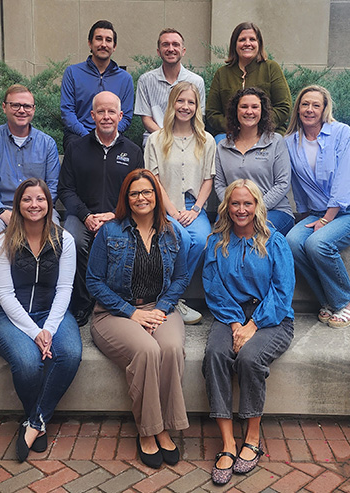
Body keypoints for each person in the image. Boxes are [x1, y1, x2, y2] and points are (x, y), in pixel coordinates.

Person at [86, 169, 191, 469]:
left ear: (157, 196)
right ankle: (150, 431)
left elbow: (181, 277)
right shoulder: (111, 231)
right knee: (147, 351)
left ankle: (167, 425)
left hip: (160, 307)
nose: (141, 198)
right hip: (115, 312)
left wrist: (164, 306)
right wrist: (132, 313)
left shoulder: (171, 232)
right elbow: (94, 281)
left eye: (147, 192)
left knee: (170, 349)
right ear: (126, 198)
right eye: (134, 193)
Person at [201, 179, 295, 485]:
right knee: (216, 353)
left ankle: (252, 437)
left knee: (250, 358)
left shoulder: (274, 241)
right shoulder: (216, 241)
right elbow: (214, 289)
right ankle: (228, 442)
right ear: (227, 206)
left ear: (257, 206)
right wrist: (235, 325)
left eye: (248, 203)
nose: (241, 210)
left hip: (272, 318)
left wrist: (253, 325)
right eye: (235, 203)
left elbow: (282, 293)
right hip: (230, 315)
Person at [0, 178, 82, 462]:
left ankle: (35, 422)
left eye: (40, 199)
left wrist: (48, 328)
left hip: (52, 313)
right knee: (28, 364)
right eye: (27, 199)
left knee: (71, 354)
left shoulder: (65, 240)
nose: (34, 205)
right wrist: (34, 332)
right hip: (8, 316)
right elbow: (4, 293)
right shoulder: (3, 242)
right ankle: (37, 420)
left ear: (49, 204)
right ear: (18, 205)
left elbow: (65, 289)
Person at [58, 91, 144, 325]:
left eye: (111, 111)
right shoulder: (77, 148)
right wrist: (86, 216)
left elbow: (140, 193)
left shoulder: (133, 151)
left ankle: (118, 299)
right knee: (72, 240)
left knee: (131, 238)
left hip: (122, 215)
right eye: (101, 112)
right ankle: (83, 302)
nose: (106, 116)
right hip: (82, 215)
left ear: (120, 115)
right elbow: (65, 190)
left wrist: (117, 215)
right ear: (92, 115)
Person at [284, 85, 350, 328]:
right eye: (305, 104)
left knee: (318, 243)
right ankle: (329, 301)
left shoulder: (341, 132)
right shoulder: (290, 142)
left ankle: (348, 300)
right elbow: (298, 185)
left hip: (347, 213)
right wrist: (308, 217)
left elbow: (345, 180)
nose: (309, 109)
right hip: (316, 213)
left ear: (324, 109)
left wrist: (326, 220)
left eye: (315, 105)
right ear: (298, 108)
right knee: (292, 242)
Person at [0, 84, 60, 280]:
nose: (22, 110)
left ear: (34, 109)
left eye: (27, 106)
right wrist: (2, 212)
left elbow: (52, 186)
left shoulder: (47, 144)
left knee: (55, 233)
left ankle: (45, 296)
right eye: (15, 105)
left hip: (38, 207)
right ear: (4, 107)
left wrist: (36, 209)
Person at [144, 81, 215, 325]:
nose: (185, 106)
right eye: (181, 100)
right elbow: (153, 180)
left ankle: (171, 298)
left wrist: (195, 210)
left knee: (203, 239)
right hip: (165, 205)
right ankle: (172, 298)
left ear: (197, 107)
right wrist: (173, 211)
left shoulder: (207, 140)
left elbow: (208, 179)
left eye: (191, 102)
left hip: (194, 207)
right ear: (172, 103)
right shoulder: (156, 139)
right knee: (182, 239)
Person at [214, 87, 294, 236]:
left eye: (255, 107)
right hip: (235, 212)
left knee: (256, 233)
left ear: (262, 111)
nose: (249, 111)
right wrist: (235, 208)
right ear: (235, 111)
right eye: (244, 107)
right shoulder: (223, 146)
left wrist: (254, 209)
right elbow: (219, 184)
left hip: (274, 210)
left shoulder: (275, 141)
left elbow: (282, 183)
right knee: (220, 235)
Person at [205, 22, 291, 138]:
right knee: (219, 141)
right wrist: (234, 126)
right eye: (242, 40)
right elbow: (212, 112)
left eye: (252, 39)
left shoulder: (271, 68)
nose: (247, 43)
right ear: (234, 44)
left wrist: (257, 125)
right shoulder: (222, 73)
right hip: (230, 134)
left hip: (267, 132)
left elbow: (284, 107)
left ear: (259, 44)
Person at [60, 20, 134, 150]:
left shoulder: (125, 78)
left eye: (108, 40)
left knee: (131, 151)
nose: (103, 44)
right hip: (79, 135)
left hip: (112, 134)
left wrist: (109, 134)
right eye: (99, 39)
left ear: (114, 46)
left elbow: (126, 117)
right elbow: (67, 112)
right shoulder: (72, 73)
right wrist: (89, 136)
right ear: (90, 43)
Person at [135, 28, 206, 146]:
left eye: (175, 45)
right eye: (165, 45)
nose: (171, 49)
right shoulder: (145, 80)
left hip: (187, 140)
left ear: (183, 51)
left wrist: (180, 140)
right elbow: (146, 118)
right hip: (156, 139)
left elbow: (199, 117)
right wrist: (166, 138)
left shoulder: (196, 82)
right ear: (158, 51)